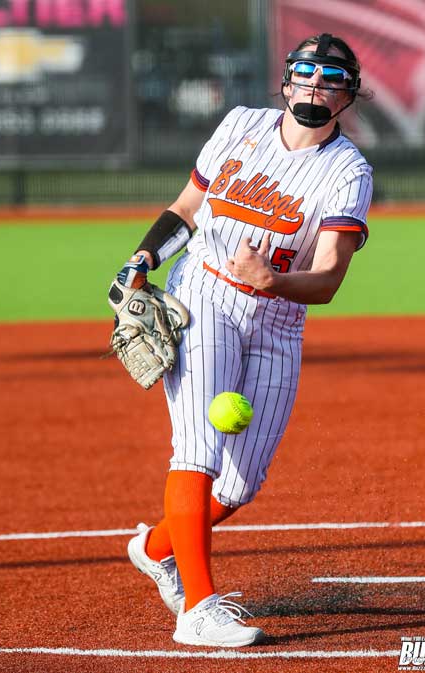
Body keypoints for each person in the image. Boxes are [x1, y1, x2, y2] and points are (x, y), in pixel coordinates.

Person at [118, 32, 373, 648]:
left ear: (348, 94)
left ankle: (155, 548)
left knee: (237, 486)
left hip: (279, 320)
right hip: (203, 296)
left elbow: (331, 277)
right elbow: (187, 207)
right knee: (198, 450)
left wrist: (274, 279)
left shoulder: (348, 170)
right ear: (286, 82)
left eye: (329, 79)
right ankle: (198, 610)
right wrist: (144, 257)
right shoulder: (240, 125)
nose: (314, 87)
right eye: (304, 75)